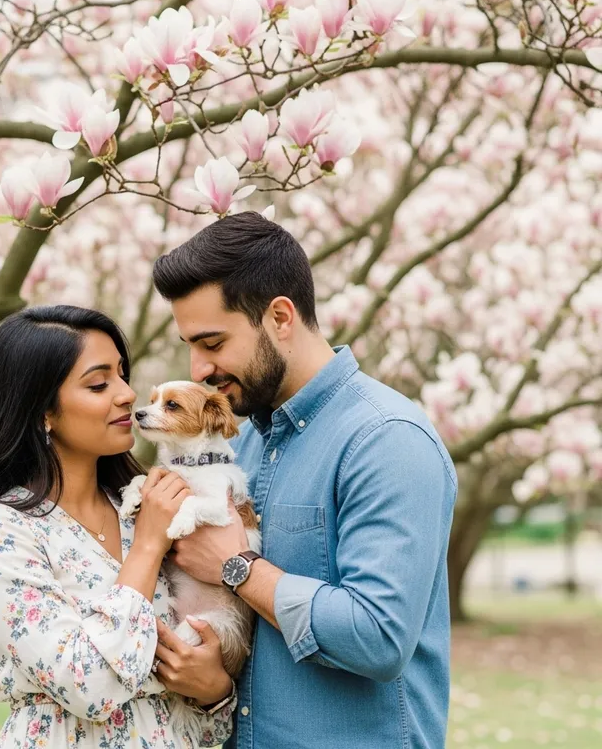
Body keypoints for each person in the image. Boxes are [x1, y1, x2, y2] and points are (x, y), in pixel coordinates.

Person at [151, 211, 457, 749]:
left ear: (280, 317)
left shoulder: (387, 440)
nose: (198, 368)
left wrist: (237, 566)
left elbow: (379, 637)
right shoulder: (238, 446)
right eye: (191, 346)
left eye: (213, 343)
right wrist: (213, 684)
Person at [0, 305, 236, 749]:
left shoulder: (137, 506)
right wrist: (149, 548)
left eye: (121, 374)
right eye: (99, 384)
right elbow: (87, 688)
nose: (127, 395)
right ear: (42, 412)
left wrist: (213, 690)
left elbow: (206, 726)